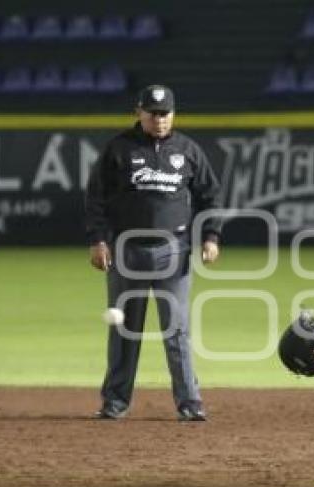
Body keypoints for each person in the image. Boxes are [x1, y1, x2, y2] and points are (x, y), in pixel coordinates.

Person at [85, 84, 222, 422]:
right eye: (153, 113)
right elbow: (95, 198)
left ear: (173, 114)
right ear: (139, 112)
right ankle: (115, 401)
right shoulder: (119, 149)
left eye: (165, 113)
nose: (160, 119)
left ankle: (190, 402)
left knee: (176, 330)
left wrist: (211, 236)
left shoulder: (187, 149)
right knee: (124, 329)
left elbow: (210, 196)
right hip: (127, 249)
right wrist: (98, 240)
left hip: (172, 251)